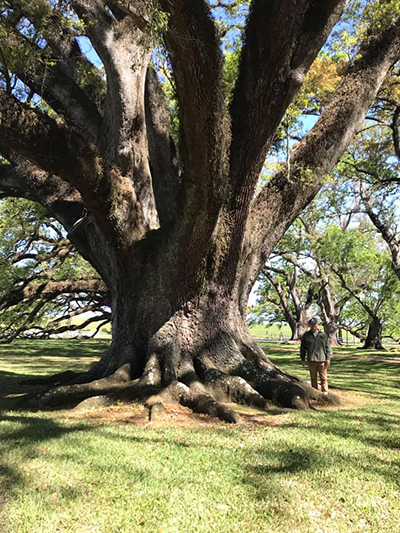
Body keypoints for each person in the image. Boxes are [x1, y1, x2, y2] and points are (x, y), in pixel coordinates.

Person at [300, 317, 332, 393]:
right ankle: (315, 393)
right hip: (311, 360)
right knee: (313, 378)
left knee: (323, 378)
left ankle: (325, 393)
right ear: (309, 325)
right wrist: (303, 359)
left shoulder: (323, 335)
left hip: (322, 360)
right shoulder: (306, 335)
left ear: (317, 325)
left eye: (314, 324)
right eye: (311, 324)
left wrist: (328, 358)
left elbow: (328, 347)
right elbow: (303, 348)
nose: (313, 326)